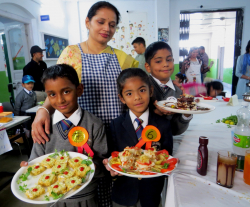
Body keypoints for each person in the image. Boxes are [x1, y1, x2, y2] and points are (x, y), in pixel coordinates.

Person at [31, 2, 138, 206]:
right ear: (88, 22)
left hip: (116, 135)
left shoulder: (124, 59)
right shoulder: (71, 54)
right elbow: (57, 87)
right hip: (82, 136)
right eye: (101, 21)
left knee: (114, 190)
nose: (107, 28)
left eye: (112, 24)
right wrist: (43, 111)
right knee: (81, 182)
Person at [20, 64, 107, 207]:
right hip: (53, 198)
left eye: (66, 91)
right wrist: (27, 167)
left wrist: (92, 167)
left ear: (79, 90)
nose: (60, 100)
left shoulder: (95, 124)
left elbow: (102, 165)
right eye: (52, 94)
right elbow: (36, 161)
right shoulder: (43, 126)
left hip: (86, 197)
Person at [103, 68, 173, 207]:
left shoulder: (163, 124)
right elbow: (112, 156)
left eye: (142, 90)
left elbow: (167, 159)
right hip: (123, 195)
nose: (137, 97)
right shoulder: (116, 125)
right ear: (122, 98)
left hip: (151, 195)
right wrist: (111, 170)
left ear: (151, 91)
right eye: (129, 93)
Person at [144, 41, 192, 135]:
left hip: (168, 143)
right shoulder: (142, 89)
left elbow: (177, 130)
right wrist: (157, 113)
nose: (165, 64)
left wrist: (187, 113)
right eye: (158, 61)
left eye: (169, 59)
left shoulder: (179, 91)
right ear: (148, 67)